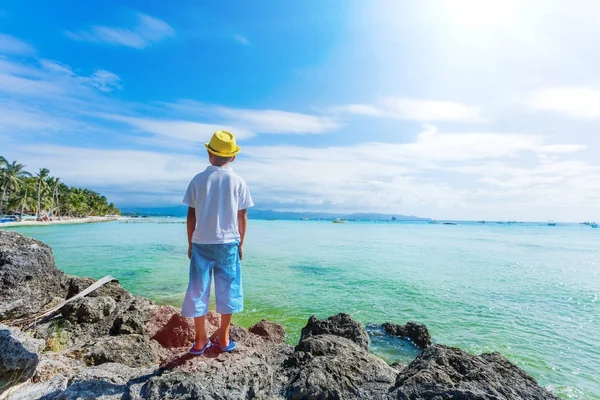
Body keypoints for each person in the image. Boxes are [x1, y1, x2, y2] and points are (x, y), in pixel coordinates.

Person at [181, 130, 254, 356]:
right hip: (228, 243)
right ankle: (223, 337)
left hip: (202, 242)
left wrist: (190, 242)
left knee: (198, 290)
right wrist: (241, 243)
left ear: (209, 154)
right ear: (233, 157)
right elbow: (242, 216)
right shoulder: (238, 181)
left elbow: (191, 215)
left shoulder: (198, 179)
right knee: (228, 289)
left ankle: (200, 340)